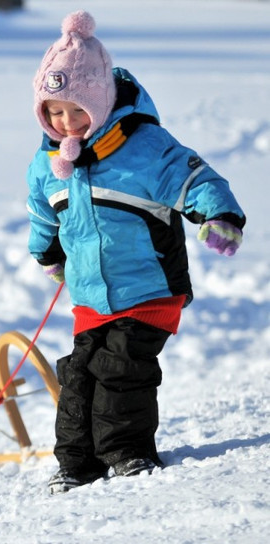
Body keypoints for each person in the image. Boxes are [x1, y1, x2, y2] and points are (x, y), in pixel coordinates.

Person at [25, 11, 245, 495]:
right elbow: (44, 213)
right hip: (90, 298)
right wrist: (47, 254)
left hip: (148, 288)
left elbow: (194, 179)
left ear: (101, 101)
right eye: (54, 112)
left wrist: (219, 216)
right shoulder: (48, 163)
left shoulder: (143, 147)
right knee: (79, 374)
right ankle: (77, 463)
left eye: (77, 111)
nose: (66, 123)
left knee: (121, 367)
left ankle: (127, 451)